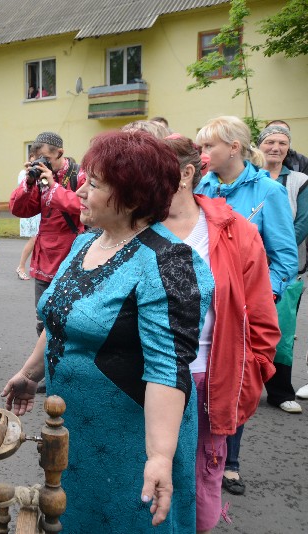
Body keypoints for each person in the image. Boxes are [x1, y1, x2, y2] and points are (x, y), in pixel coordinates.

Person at [1, 130, 214, 532]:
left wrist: (160, 456)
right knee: (72, 516)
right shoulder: (86, 244)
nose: (78, 191)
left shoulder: (169, 262)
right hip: (75, 428)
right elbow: (59, 319)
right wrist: (30, 375)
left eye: (93, 184)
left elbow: (168, 369)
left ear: (131, 198)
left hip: (132, 441)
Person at [162, 135, 280, 533]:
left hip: (208, 382)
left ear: (186, 175)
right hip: (141, 381)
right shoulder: (131, 225)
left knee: (201, 485)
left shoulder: (235, 231)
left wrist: (249, 377)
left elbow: (262, 321)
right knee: (145, 482)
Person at [193, 115, 299, 496]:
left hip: (242, 311)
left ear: (233, 148)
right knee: (203, 380)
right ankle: (198, 455)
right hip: (203, 307)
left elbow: (285, 259)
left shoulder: (266, 192)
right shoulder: (201, 186)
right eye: (201, 147)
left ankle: (228, 463)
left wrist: (256, 297)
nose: (203, 154)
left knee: (235, 381)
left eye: (209, 147)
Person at [9, 131, 85, 337]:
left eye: (48, 160)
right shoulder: (40, 177)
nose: (44, 164)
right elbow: (20, 210)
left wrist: (53, 186)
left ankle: (65, 364)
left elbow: (83, 206)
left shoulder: (80, 175)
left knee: (69, 318)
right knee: (42, 318)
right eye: (38, 160)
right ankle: (44, 364)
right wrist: (29, 184)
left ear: (60, 153)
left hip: (72, 257)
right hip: (45, 258)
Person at [257, 124, 307, 414]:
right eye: (270, 141)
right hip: (246, 264)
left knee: (281, 329)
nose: (276, 147)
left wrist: (273, 251)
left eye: (283, 143)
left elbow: (302, 223)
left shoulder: (300, 180)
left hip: (285, 268)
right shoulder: (248, 175)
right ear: (260, 144)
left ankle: (279, 391)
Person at [15, 142, 42, 281]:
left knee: (37, 240)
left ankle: (34, 267)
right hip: (31, 213)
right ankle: (21, 266)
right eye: (34, 158)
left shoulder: (41, 171)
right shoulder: (24, 173)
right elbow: (26, 190)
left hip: (38, 212)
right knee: (34, 239)